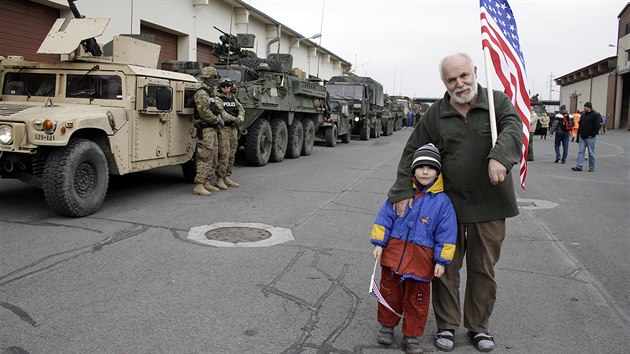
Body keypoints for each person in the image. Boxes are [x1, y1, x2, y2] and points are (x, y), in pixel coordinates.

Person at [387, 53, 522, 352]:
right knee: (445, 267)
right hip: (447, 208)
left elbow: (514, 130)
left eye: (464, 75)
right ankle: (447, 325)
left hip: (490, 206)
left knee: (482, 269)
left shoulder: (496, 102)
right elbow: (413, 150)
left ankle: (478, 327)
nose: (459, 84)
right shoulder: (437, 113)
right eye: (451, 79)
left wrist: (499, 157)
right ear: (444, 83)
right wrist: (402, 191)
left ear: (475, 71)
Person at [371, 143, 457, 354]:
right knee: (389, 293)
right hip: (394, 255)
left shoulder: (443, 202)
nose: (425, 172)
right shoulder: (402, 193)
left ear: (438, 171)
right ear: (413, 170)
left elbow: (446, 233)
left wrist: (441, 261)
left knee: (417, 300)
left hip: (421, 261)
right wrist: (379, 244)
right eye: (420, 167)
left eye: (430, 167)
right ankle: (387, 327)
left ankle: (412, 335)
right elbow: (385, 218)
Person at [192, 66, 225, 196]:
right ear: (207, 78)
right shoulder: (201, 93)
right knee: (205, 157)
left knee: (213, 157)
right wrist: (217, 120)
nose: (216, 80)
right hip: (206, 129)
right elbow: (204, 112)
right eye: (214, 78)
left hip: (212, 128)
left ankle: (206, 181)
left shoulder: (211, 92)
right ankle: (199, 185)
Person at [215, 78, 244, 189]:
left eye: (228, 85)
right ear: (220, 87)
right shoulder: (218, 99)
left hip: (233, 129)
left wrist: (239, 119)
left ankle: (227, 176)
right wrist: (234, 119)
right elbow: (222, 113)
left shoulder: (233, 99)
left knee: (232, 153)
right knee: (224, 153)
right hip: (224, 129)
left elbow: (241, 110)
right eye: (224, 86)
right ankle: (220, 179)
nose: (226, 87)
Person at [571, 102, 601, 172]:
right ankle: (579, 166)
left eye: (585, 107)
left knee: (591, 153)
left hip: (590, 137)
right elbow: (580, 126)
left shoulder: (595, 115)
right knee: (581, 152)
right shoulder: (583, 115)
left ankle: (591, 167)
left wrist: (592, 134)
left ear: (589, 107)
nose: (584, 108)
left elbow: (597, 126)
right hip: (582, 137)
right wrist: (578, 136)